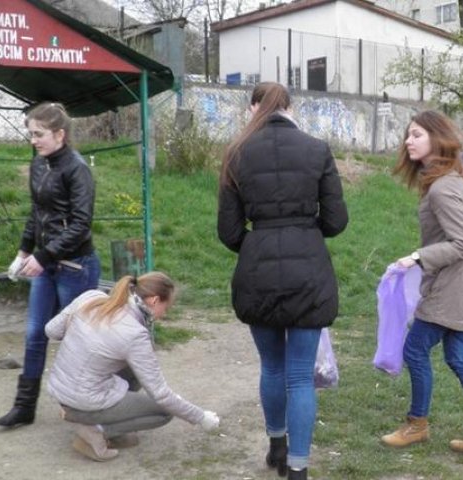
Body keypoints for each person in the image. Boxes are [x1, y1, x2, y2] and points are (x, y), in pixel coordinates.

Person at [217, 82, 348, 480]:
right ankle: (298, 468)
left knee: (272, 368)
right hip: (309, 269)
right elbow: (336, 221)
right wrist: (305, 231)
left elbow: (228, 231)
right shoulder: (317, 149)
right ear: (290, 107)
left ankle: (276, 445)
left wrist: (258, 244)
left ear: (254, 108)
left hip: (257, 271)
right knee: (298, 375)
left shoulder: (236, 153)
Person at [381, 111, 463, 454]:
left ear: (436, 137)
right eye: (408, 135)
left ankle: (417, 425)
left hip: (451, 289)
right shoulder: (453, 178)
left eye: (416, 134)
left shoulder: (444, 187)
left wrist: (416, 257)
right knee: (459, 355)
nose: (408, 141)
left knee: (415, 350)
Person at [0, 102, 101, 428]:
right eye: (31, 134)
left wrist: (42, 256)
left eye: (39, 134)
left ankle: (96, 403)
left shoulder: (77, 168)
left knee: (80, 340)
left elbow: (81, 224)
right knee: (34, 334)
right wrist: (25, 250)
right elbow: (37, 212)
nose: (33, 140)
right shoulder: (39, 164)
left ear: (60, 134)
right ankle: (24, 408)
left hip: (76, 267)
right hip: (46, 264)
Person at [44, 272, 220, 461]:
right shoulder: (135, 335)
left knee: (134, 371)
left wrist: (86, 337)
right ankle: (95, 430)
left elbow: (51, 330)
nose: (165, 314)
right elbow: (160, 394)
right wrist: (201, 417)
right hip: (84, 398)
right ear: (153, 300)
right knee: (165, 412)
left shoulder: (92, 297)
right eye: (165, 307)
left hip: (61, 388)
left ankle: (89, 418)